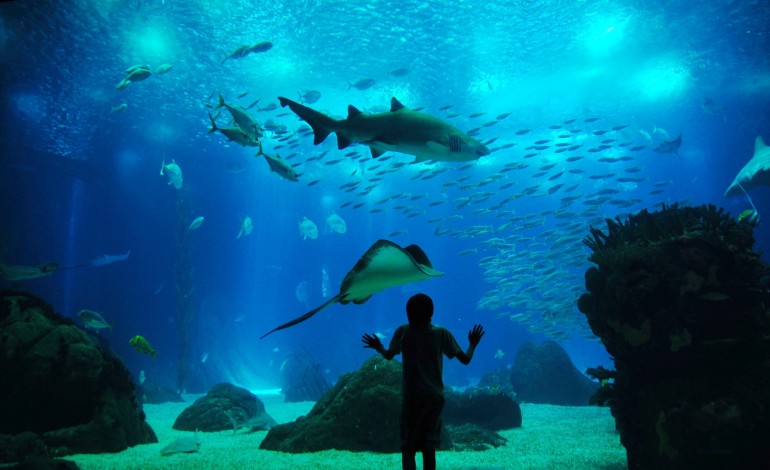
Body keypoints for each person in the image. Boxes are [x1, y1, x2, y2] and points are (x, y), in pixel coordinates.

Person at [362, 293, 484, 470]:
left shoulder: (403, 331)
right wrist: (473, 344)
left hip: (411, 397)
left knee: (408, 447)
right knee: (429, 447)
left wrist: (378, 346)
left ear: (408, 313)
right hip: (434, 397)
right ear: (431, 313)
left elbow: (389, 355)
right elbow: (465, 359)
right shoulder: (441, 333)